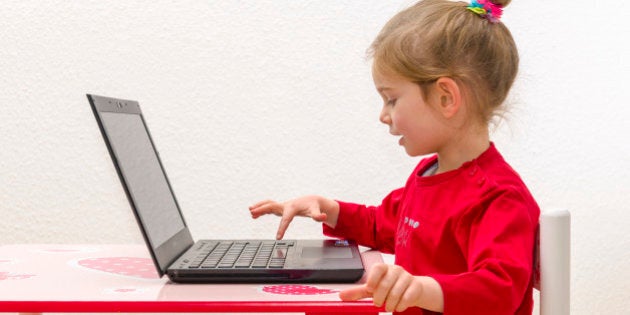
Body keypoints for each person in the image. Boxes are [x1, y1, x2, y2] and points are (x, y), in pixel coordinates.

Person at [249, 0, 539, 314]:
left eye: (391, 99)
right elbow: (384, 225)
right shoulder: (429, 174)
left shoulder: (498, 198)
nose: (383, 116)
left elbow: (499, 291)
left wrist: (420, 288)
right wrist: (330, 210)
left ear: (446, 98)